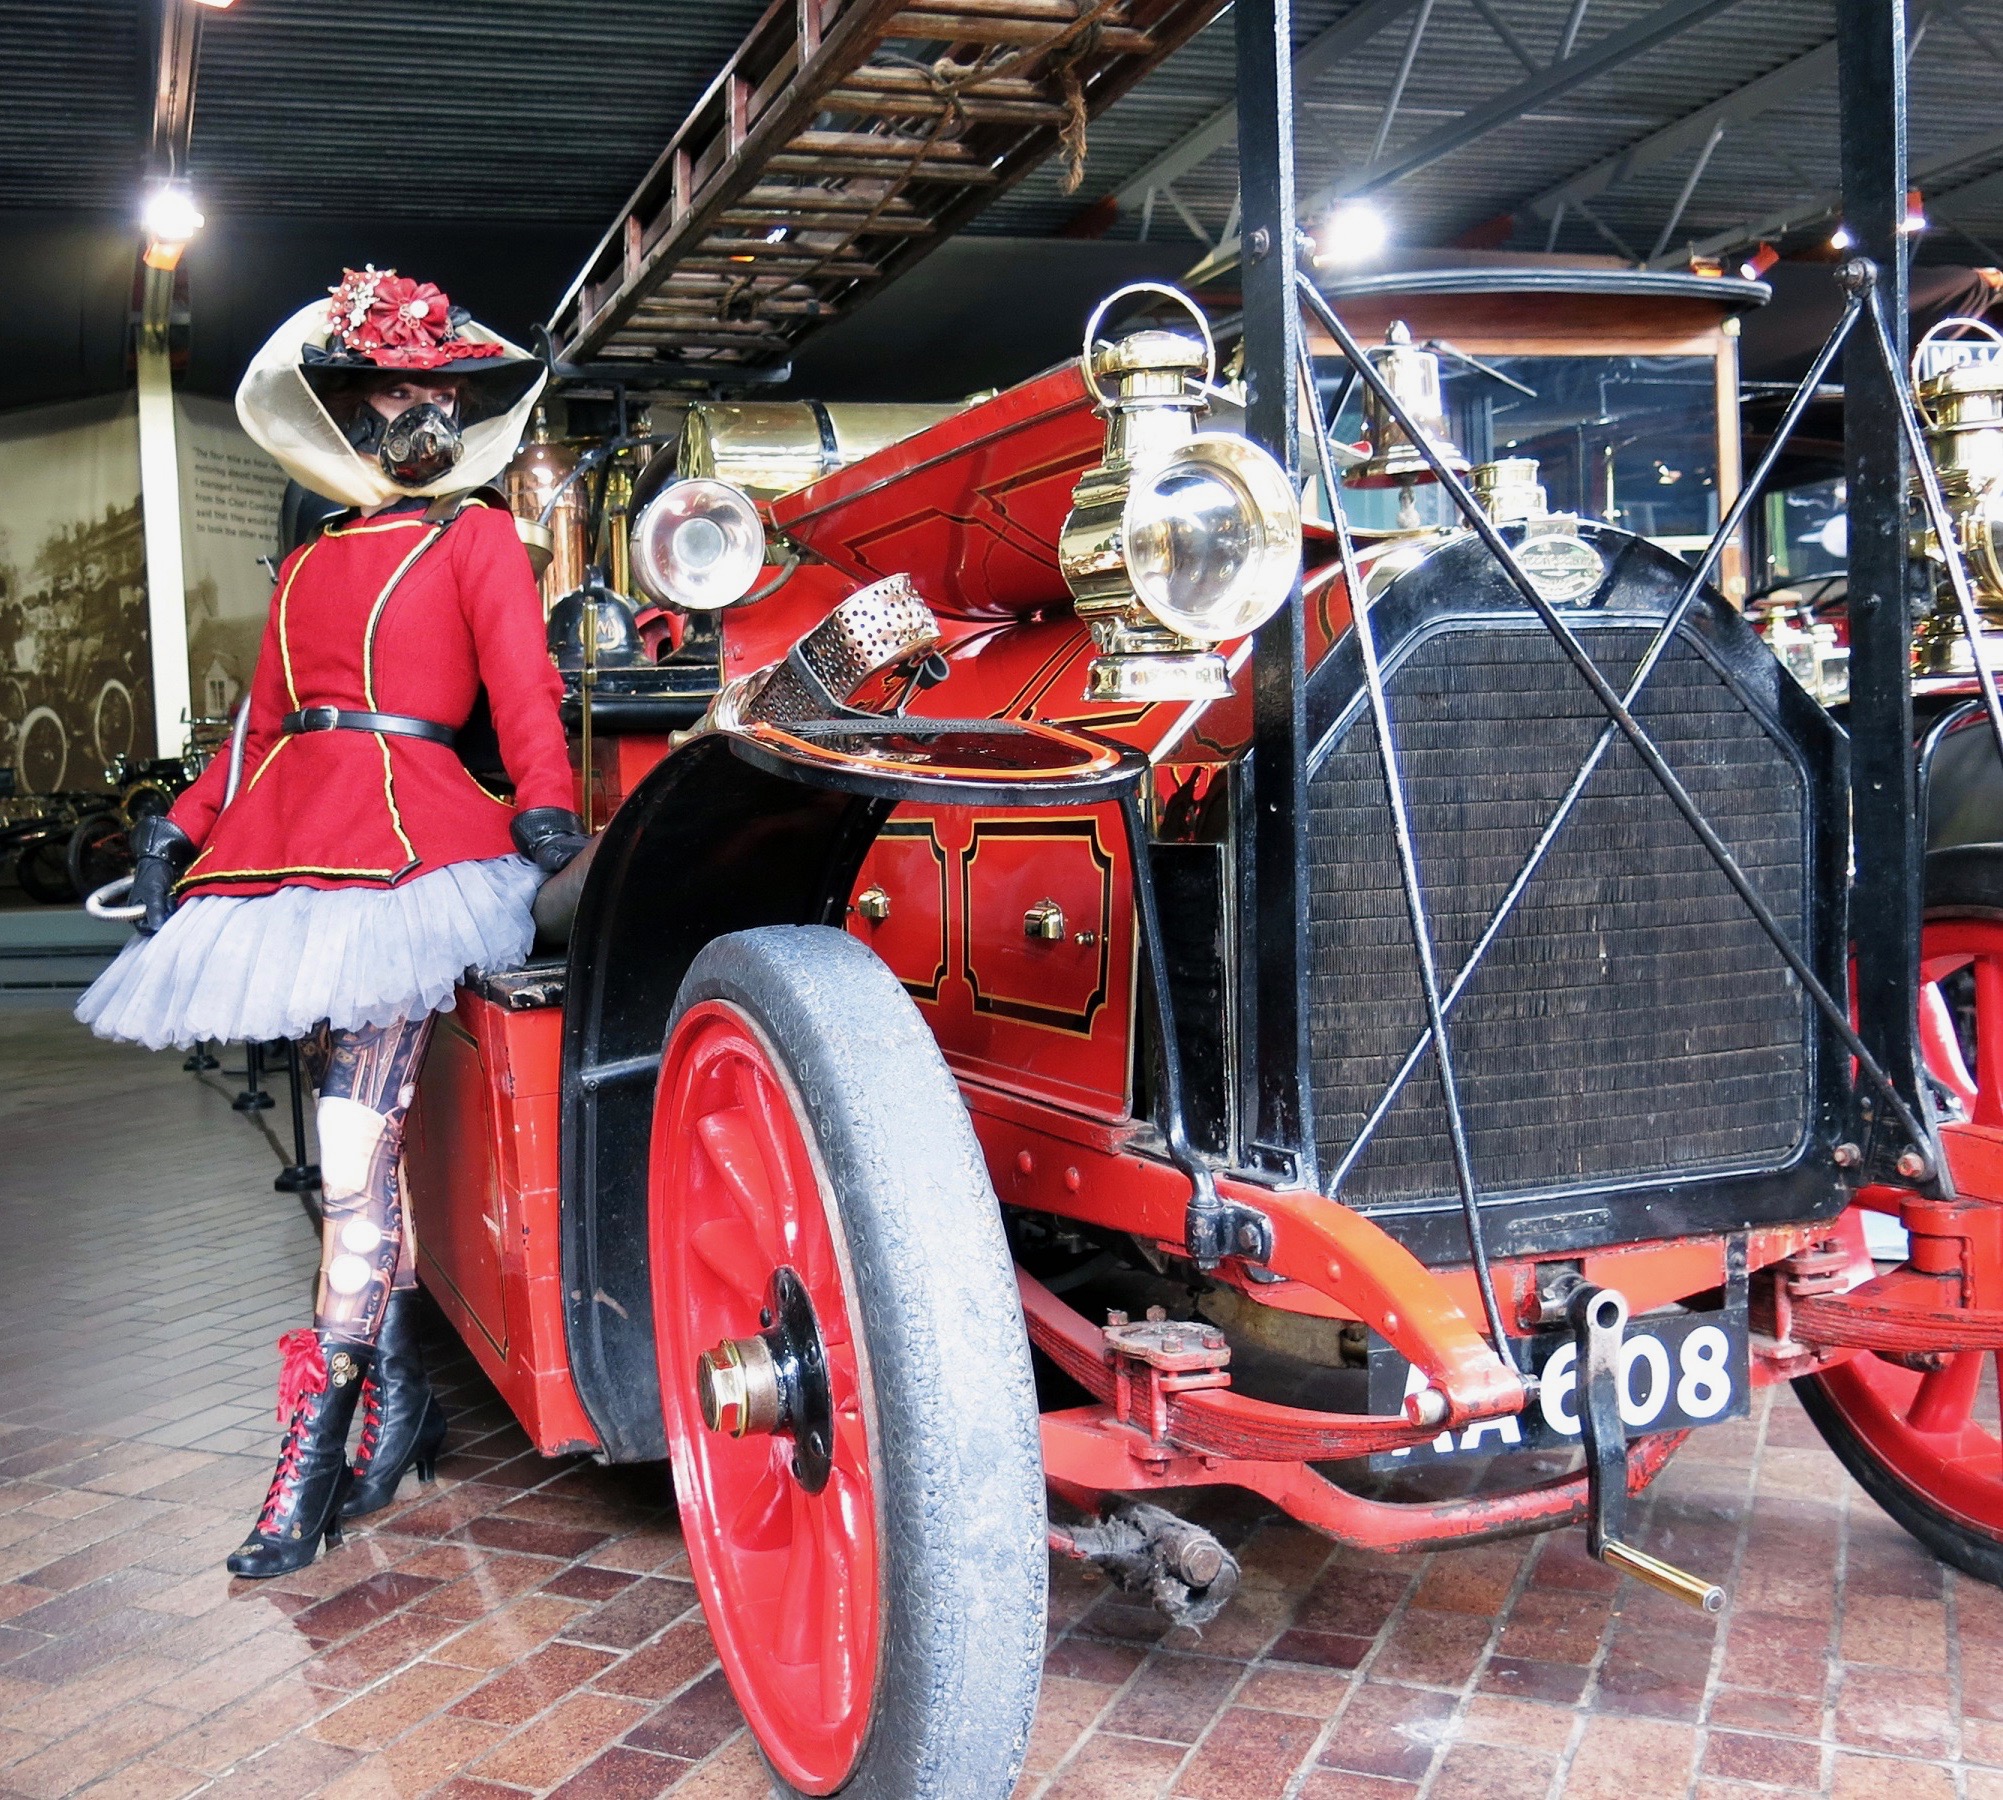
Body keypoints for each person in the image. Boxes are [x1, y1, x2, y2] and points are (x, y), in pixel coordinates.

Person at [76, 268, 588, 1577]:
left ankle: (310, 1457)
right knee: (357, 1160)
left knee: (354, 1164)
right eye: (395, 396)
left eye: (438, 397)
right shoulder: (305, 563)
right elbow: (259, 729)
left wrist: (546, 807)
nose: (422, 417)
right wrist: (185, 823)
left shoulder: (475, 539)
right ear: (349, 416)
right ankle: (401, 1400)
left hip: (409, 858)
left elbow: (524, 690)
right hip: (291, 858)